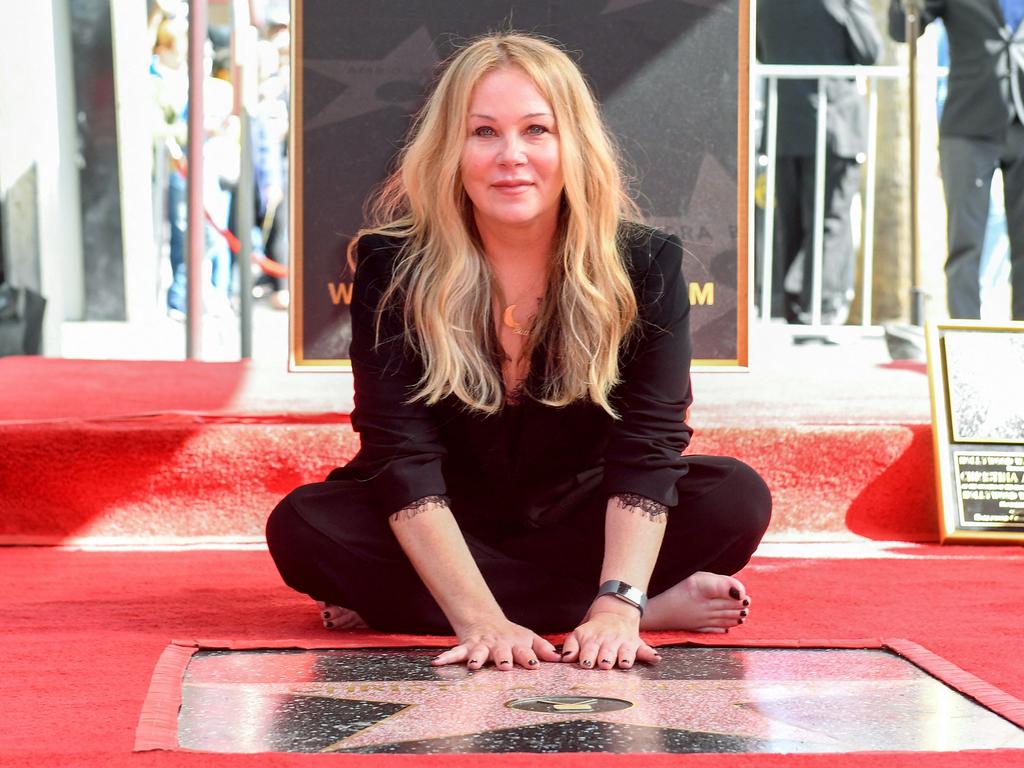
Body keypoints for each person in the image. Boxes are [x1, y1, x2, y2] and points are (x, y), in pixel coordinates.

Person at [266, 32, 772, 672]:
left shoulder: (645, 263)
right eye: (483, 133)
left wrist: (617, 603)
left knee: (736, 498)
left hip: (581, 517)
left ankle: (579, 605)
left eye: (537, 130)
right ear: (450, 147)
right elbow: (400, 453)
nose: (512, 156)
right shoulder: (390, 264)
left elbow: (648, 446)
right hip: (448, 518)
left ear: (573, 144)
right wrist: (478, 621)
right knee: (303, 528)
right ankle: (633, 607)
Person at [890, 0, 1024, 320]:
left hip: (1020, 121)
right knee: (965, 243)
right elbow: (903, 28)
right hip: (969, 123)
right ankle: (967, 337)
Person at [757, 0, 883, 325]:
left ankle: (794, 306)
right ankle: (820, 308)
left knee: (792, 220)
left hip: (785, 124)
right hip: (832, 125)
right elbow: (870, 52)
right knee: (830, 220)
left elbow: (760, 49)